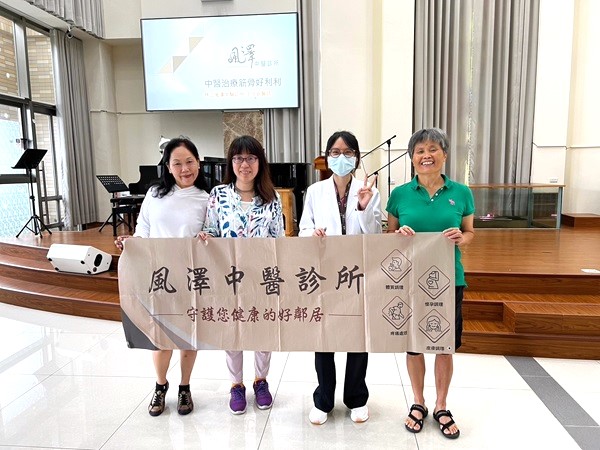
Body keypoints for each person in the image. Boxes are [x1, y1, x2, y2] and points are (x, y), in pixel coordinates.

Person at [386, 128, 475, 440]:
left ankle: (441, 405)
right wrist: (398, 236)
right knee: (414, 345)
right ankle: (418, 402)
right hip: (408, 281)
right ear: (412, 158)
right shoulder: (399, 195)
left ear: (444, 155)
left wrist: (461, 237)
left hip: (449, 280)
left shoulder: (461, 193)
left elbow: (470, 232)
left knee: (444, 345)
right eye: (420, 151)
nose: (427, 155)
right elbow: (389, 237)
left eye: (433, 149)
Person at [114, 137, 210, 416]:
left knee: (188, 337)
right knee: (160, 337)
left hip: (191, 277)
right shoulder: (155, 195)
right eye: (177, 163)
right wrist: (132, 242)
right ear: (167, 166)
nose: (184, 169)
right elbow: (143, 229)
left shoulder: (207, 198)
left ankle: (185, 387)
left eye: (189, 162)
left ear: (198, 163)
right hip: (159, 277)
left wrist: (208, 237)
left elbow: (212, 232)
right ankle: (160, 384)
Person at [298, 130, 382, 425]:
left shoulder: (368, 190)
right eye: (335, 152)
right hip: (325, 273)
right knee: (324, 337)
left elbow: (375, 235)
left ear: (356, 158)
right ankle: (323, 400)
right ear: (327, 157)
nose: (341, 157)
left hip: (357, 274)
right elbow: (303, 228)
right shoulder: (315, 191)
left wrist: (363, 207)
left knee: (358, 337)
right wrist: (313, 233)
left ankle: (356, 398)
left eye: (347, 152)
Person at [198, 135, 284, 415]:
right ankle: (236, 385)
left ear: (260, 162)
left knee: (262, 329)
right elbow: (211, 230)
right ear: (231, 162)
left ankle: (261, 381)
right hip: (229, 277)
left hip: (262, 277)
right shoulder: (218, 195)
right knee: (232, 330)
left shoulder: (272, 199)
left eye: (250, 158)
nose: (244, 164)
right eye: (238, 158)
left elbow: (279, 240)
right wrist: (206, 237)